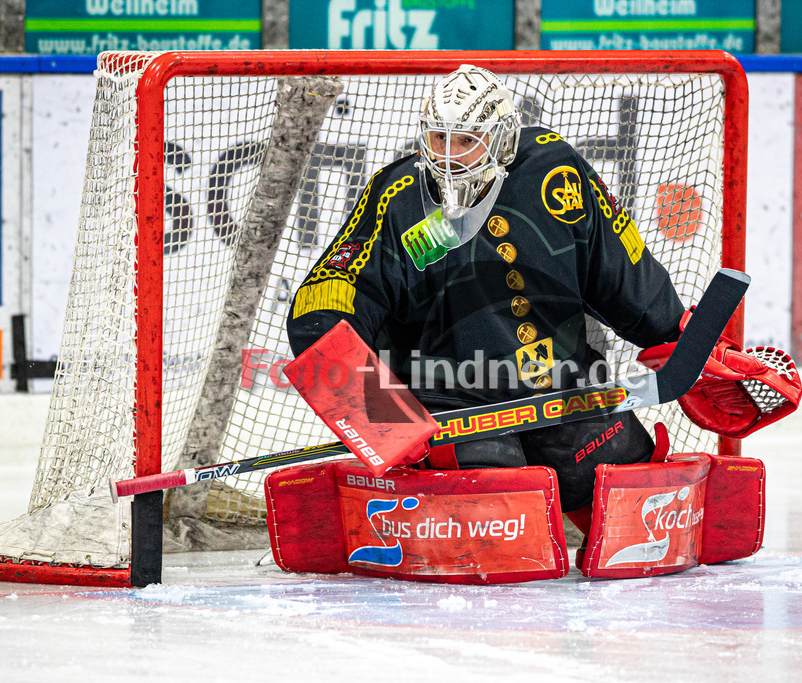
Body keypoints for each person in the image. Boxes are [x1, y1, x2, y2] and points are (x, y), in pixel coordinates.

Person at [287, 64, 686, 531]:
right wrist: (380, 417)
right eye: (439, 139)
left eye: (466, 141)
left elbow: (617, 262)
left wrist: (678, 336)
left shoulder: (553, 170)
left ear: (501, 136)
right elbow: (324, 301)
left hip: (558, 387)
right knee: (498, 493)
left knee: (623, 467)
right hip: (451, 403)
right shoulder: (396, 198)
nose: (448, 157)